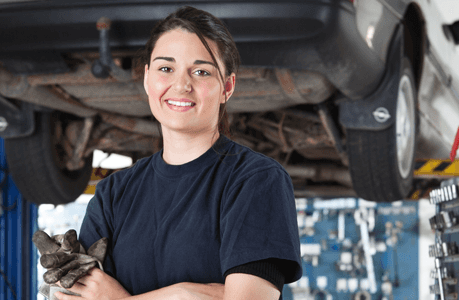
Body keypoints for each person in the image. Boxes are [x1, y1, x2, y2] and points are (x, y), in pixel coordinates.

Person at [56, 6, 302, 300]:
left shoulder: (256, 181)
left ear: (227, 87)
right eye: (165, 68)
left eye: (201, 71)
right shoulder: (113, 195)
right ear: (147, 79)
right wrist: (188, 294)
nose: (182, 85)